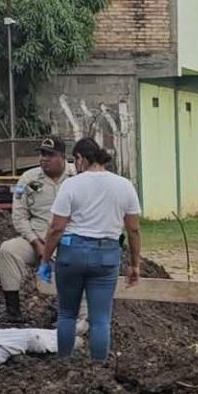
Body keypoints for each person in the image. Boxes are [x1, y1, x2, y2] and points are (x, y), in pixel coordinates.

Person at [42, 138, 142, 362]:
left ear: (81, 159)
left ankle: (64, 362)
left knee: (67, 314)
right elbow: (134, 230)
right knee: (100, 319)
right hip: (106, 255)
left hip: (72, 253)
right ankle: (98, 369)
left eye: (74, 160)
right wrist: (135, 264)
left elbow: (57, 228)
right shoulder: (124, 185)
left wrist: (45, 259)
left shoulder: (71, 184)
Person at [0, 136, 74, 321]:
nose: (44, 159)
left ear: (62, 157)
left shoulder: (76, 177)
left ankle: (64, 311)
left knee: (70, 261)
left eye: (50, 155)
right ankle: (13, 311)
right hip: (37, 238)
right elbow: (19, 216)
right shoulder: (28, 178)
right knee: (8, 250)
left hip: (68, 239)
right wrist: (36, 243)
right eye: (42, 154)